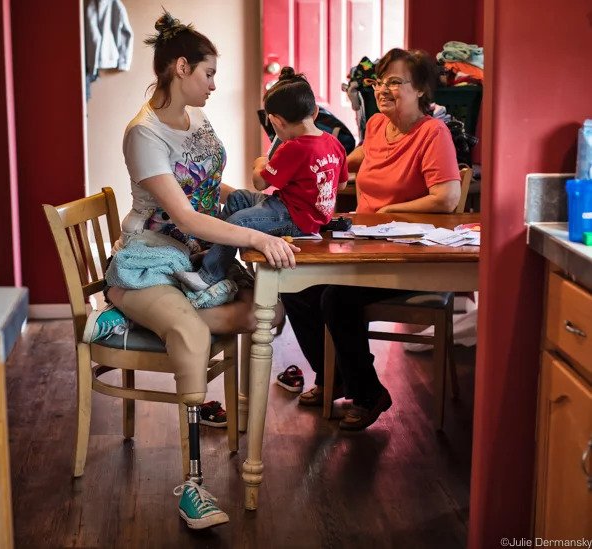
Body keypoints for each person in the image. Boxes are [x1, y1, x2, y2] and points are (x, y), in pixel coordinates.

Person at [84, 11, 299, 530]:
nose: (214, 83)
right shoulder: (144, 134)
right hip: (149, 259)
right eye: (208, 73)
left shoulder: (197, 119)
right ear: (181, 68)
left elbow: (205, 188)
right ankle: (193, 485)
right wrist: (255, 235)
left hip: (195, 257)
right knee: (187, 331)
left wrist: (254, 202)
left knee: (268, 312)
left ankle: (135, 325)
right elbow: (181, 215)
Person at [280, 47, 461, 431]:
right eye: (380, 81)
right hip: (368, 247)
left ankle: (368, 394)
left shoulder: (433, 133)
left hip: (407, 257)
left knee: (336, 298)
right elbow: (356, 158)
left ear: (421, 91)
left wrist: (387, 214)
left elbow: (447, 196)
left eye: (395, 82)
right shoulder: (379, 124)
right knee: (294, 287)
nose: (383, 89)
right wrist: (317, 163)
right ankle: (334, 378)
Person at [175, 67, 348, 292]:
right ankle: (217, 251)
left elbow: (260, 182)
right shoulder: (333, 143)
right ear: (315, 112)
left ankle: (209, 275)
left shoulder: (293, 148)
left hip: (295, 219)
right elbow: (341, 184)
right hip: (305, 212)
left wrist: (260, 163)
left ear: (276, 121)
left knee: (237, 222)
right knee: (237, 198)